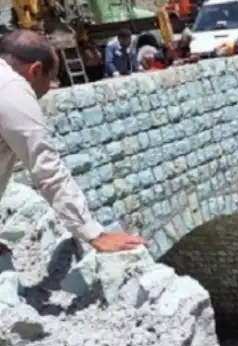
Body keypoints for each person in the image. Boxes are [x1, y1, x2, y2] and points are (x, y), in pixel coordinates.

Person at [0, 31, 144, 255]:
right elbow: (47, 169)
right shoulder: (12, 89)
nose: (51, 87)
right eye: (51, 78)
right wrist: (94, 234)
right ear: (35, 70)